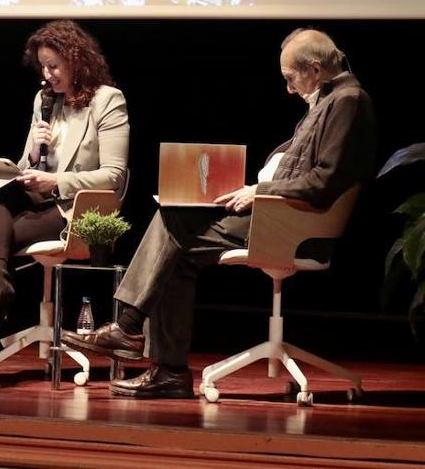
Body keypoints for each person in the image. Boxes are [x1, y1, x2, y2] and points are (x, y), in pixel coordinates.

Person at [64, 28, 377, 398]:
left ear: (314, 68)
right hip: (276, 212)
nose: (289, 89)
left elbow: (323, 181)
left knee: (172, 223)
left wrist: (259, 191)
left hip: (293, 224)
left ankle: (130, 326)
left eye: (291, 79)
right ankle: (169, 372)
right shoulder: (328, 100)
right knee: (174, 245)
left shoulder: (348, 100)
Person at [0, 20, 129, 370]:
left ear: (77, 61)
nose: (47, 73)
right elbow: (28, 164)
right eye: (43, 65)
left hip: (77, 209)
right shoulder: (44, 99)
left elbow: (114, 176)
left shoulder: (107, 101)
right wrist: (34, 147)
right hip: (38, 197)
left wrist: (56, 181)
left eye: (54, 65)